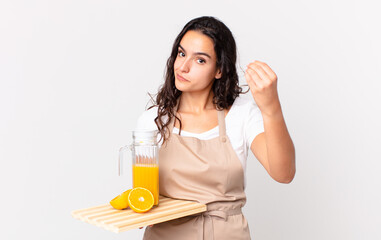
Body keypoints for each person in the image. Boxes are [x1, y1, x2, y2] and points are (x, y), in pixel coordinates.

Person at [135, 16, 295, 240]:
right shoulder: (153, 120)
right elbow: (144, 192)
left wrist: (271, 109)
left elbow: (283, 173)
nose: (183, 66)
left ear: (219, 70)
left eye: (200, 60)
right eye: (181, 54)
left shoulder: (241, 115)